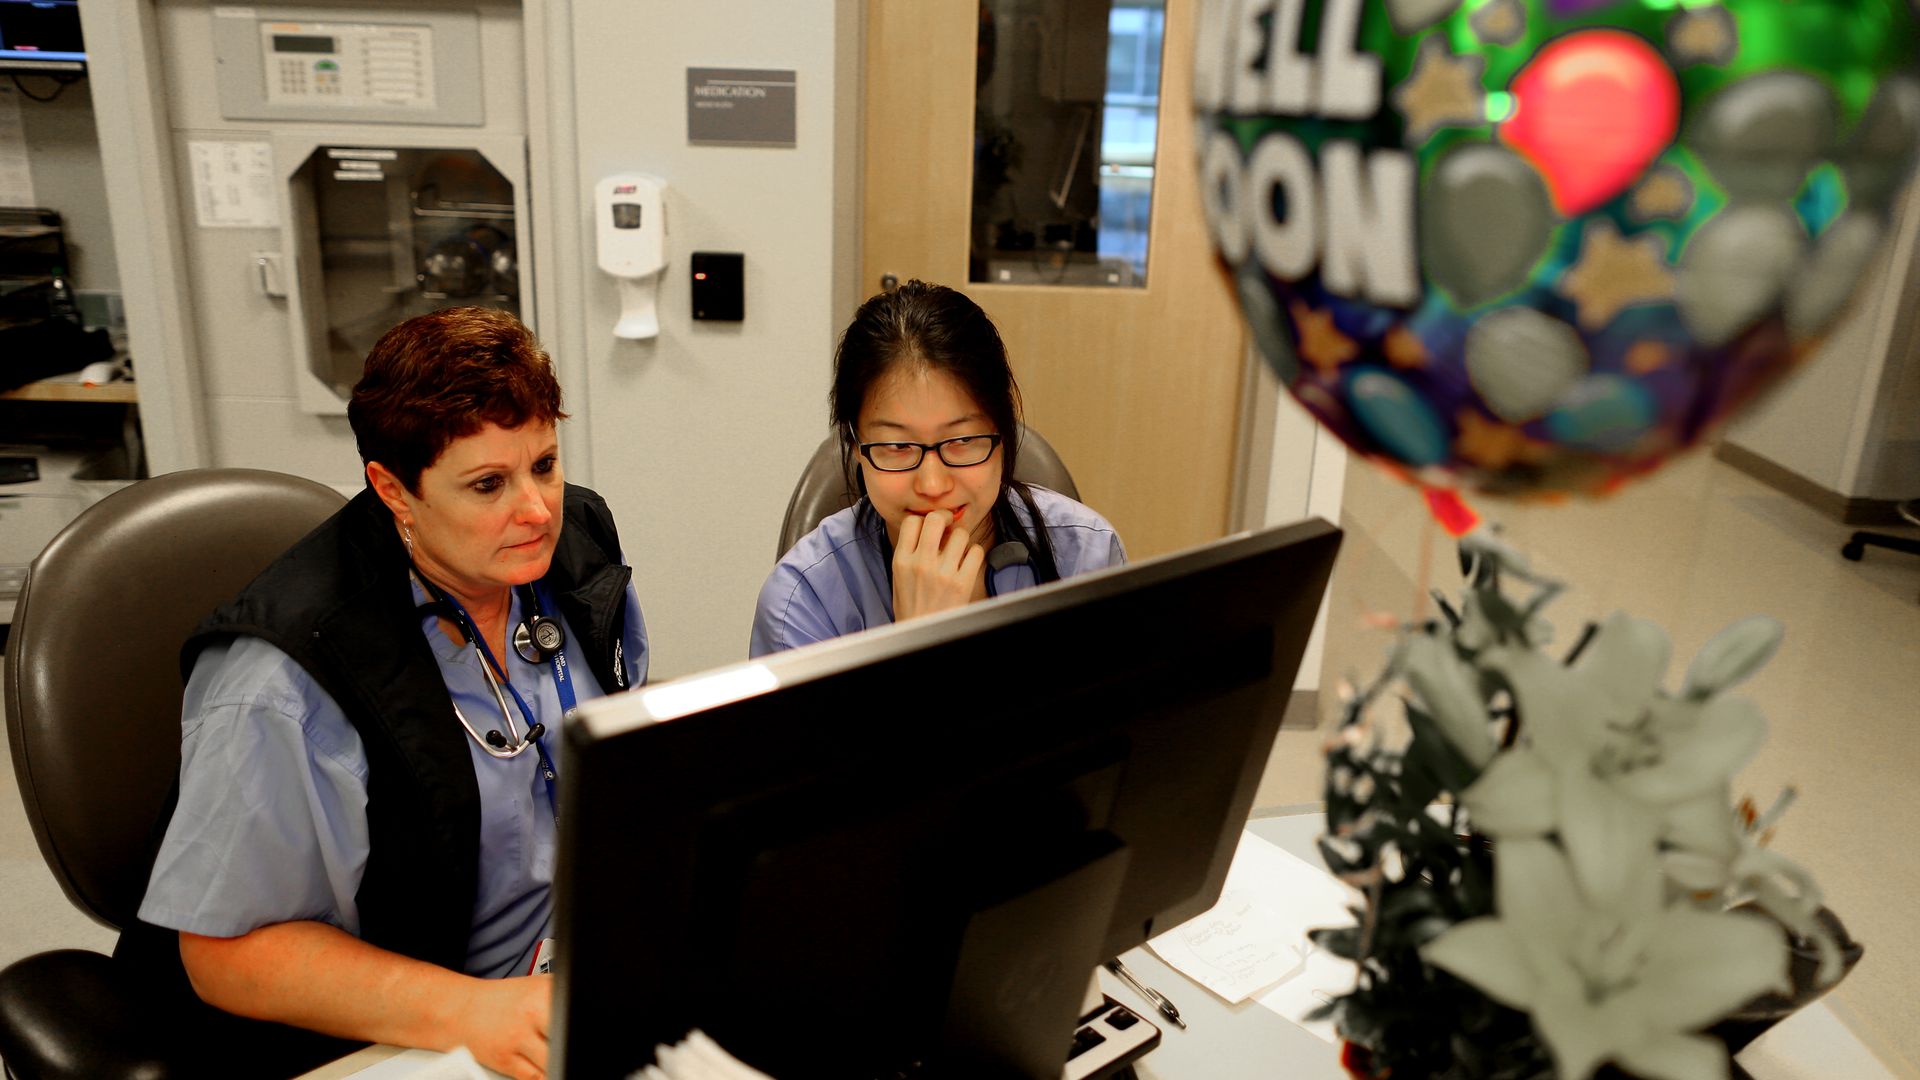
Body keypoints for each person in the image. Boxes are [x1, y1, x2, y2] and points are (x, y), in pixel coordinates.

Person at [121, 307, 648, 1080]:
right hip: (390, 1033)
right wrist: (472, 1011)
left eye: (544, 464)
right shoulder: (283, 678)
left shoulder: (574, 553)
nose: (536, 511)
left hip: (560, 989)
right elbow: (223, 954)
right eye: (487, 484)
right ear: (393, 490)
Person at [751, 280, 1124, 656]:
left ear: (1004, 435)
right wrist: (918, 640)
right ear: (856, 448)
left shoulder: (1086, 554)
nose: (932, 485)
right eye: (897, 446)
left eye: (961, 441)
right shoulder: (801, 602)